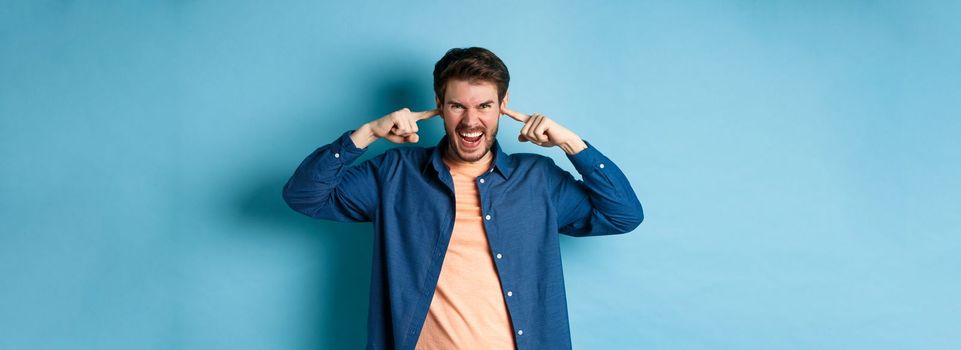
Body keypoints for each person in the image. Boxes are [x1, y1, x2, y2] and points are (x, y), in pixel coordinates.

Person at [282, 47, 643, 349]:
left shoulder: (538, 179)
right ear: (439, 105)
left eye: (484, 106)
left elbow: (623, 214)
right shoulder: (395, 174)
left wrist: (571, 144)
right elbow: (305, 196)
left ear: (504, 104)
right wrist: (365, 135)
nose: (471, 121)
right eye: (458, 106)